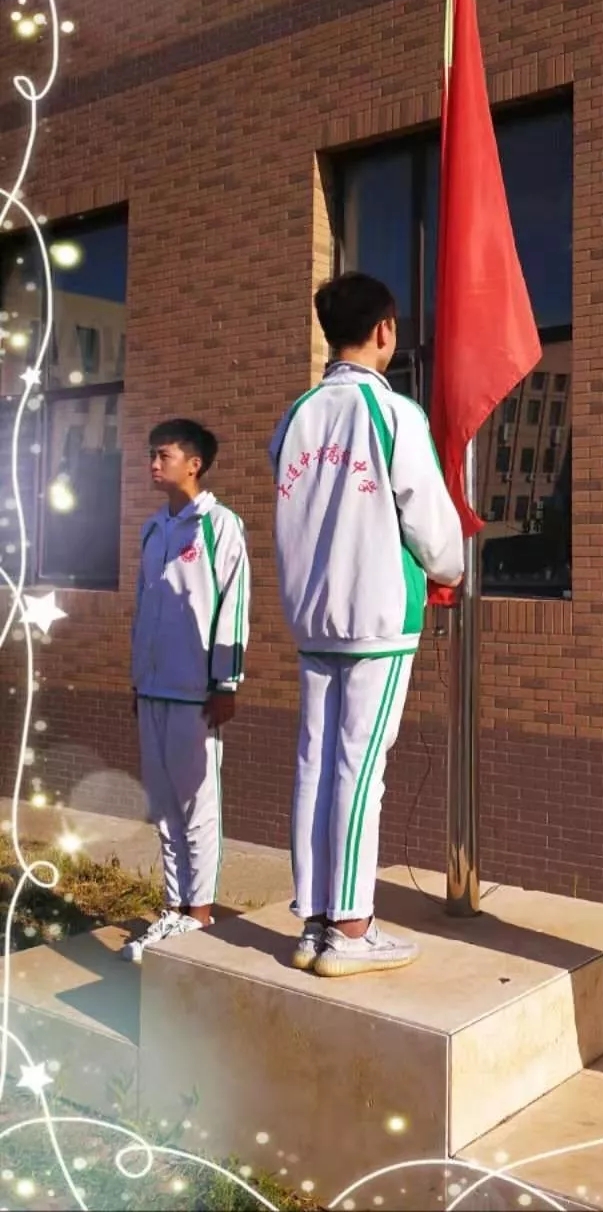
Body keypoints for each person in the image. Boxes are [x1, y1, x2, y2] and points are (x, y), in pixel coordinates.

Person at [271, 271, 464, 978]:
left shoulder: (296, 416)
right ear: (386, 329)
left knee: (316, 763)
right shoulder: (392, 412)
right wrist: (450, 567)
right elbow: (431, 524)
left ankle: (315, 921)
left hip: (313, 615)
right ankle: (351, 928)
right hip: (377, 613)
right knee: (359, 768)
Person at [125, 419, 251, 963]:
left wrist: (226, 682)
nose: (154, 464)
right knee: (163, 807)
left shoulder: (220, 526)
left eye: (164, 455)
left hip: (195, 693)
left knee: (197, 806)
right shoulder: (153, 529)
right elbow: (142, 607)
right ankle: (173, 909)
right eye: (152, 455)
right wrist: (138, 678)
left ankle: (199, 914)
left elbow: (233, 605)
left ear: (194, 464)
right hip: (153, 689)